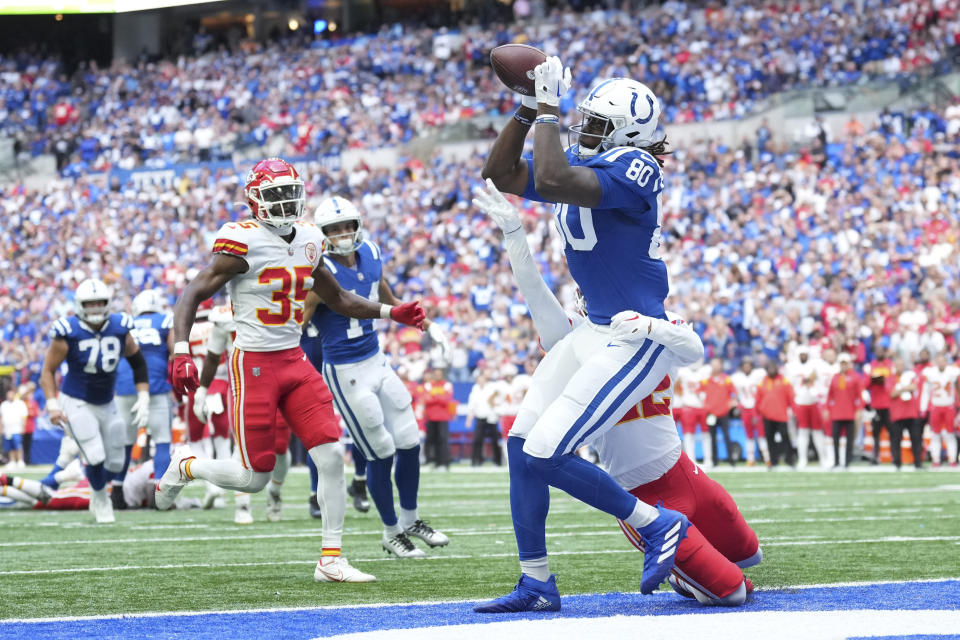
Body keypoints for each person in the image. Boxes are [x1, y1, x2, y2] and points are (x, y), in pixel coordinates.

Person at [474, 180, 759, 606]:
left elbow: (693, 347)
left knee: (749, 554)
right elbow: (535, 292)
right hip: (641, 494)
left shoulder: (648, 326)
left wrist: (650, 327)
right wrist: (515, 237)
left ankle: (685, 569)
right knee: (732, 592)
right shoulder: (573, 338)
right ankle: (671, 557)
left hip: (686, 473)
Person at [475, 61, 690, 609]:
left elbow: (551, 180)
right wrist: (527, 110)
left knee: (548, 450)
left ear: (629, 134)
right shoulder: (586, 161)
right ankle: (537, 582)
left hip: (634, 336)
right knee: (523, 448)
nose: (583, 129)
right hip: (593, 330)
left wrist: (548, 110)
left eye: (597, 122)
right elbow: (500, 173)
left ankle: (657, 523)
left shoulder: (638, 168)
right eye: (584, 119)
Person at [157, 157, 425, 583]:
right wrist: (181, 349)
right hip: (254, 364)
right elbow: (193, 292)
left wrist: (392, 312)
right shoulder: (240, 240)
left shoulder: (309, 238)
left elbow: (338, 298)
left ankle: (331, 559)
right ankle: (188, 464)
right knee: (253, 478)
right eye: (274, 194)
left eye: (288, 192)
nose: (284, 201)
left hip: (295, 360)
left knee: (332, 456)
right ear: (253, 200)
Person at [304, 195, 450, 558]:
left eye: (345, 226)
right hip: (345, 370)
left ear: (357, 225)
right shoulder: (318, 272)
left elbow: (380, 291)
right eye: (333, 230)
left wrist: (424, 323)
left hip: (376, 359)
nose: (341, 234)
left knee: (409, 438)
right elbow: (298, 323)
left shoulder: (370, 252)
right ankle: (390, 531)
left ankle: (412, 519)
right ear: (322, 234)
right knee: (380, 450)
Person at [39, 278, 151, 523]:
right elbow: (47, 371)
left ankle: (88, 482)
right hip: (76, 399)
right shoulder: (68, 331)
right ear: (80, 305)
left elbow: (138, 363)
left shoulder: (120, 326)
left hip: (106, 401)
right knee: (95, 454)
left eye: (100, 302)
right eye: (90, 304)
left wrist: (143, 396)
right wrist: (52, 404)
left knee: (115, 462)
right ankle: (101, 500)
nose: (95, 308)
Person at [194, 303, 291, 524]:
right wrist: (202, 390)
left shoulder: (275, 300)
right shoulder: (224, 314)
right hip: (243, 386)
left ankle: (274, 493)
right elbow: (212, 355)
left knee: (281, 449)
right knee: (241, 444)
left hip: (280, 380)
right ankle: (242, 505)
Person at [111, 288, 175, 510]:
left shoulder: (126, 322)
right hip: (155, 388)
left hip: (125, 387)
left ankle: (117, 492)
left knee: (124, 444)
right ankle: (160, 494)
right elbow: (175, 352)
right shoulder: (166, 320)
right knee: (162, 440)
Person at [786, 346, 825, 469]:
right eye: (801, 354)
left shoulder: (815, 365)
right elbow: (790, 386)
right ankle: (802, 459)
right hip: (800, 401)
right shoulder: (792, 367)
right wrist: (791, 404)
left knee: (817, 432)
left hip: (813, 401)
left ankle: (823, 458)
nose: (803, 356)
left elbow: (821, 383)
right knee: (802, 432)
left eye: (805, 354)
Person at [920, 354, 959, 467]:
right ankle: (936, 460)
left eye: (943, 361)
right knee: (936, 434)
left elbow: (957, 386)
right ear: (936, 362)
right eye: (939, 361)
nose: (941, 363)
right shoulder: (930, 372)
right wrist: (923, 407)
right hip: (936, 406)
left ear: (946, 362)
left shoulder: (953, 372)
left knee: (950, 434)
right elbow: (926, 391)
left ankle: (952, 459)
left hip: (949, 406)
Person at [730, 357, 770, 467]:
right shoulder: (737, 378)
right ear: (742, 367)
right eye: (745, 365)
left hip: (756, 409)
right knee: (749, 436)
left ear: (752, 366)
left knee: (762, 435)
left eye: (749, 365)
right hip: (745, 409)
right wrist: (737, 403)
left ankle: (767, 458)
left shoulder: (759, 374)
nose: (747, 367)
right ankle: (750, 459)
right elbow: (734, 392)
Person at [828, 354, 864, 468]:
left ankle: (847, 461)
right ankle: (836, 461)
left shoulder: (855, 377)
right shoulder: (835, 377)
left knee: (850, 439)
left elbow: (860, 395)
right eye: (842, 363)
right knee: (835, 438)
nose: (843, 365)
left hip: (850, 413)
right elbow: (830, 396)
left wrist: (859, 410)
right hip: (836, 413)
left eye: (845, 363)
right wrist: (827, 409)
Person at [755, 362, 794, 467]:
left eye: (773, 367)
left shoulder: (784, 381)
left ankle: (790, 460)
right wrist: (758, 411)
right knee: (769, 439)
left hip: (781, 415)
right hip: (767, 416)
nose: (771, 370)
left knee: (785, 437)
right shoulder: (762, 382)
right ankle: (773, 461)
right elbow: (757, 399)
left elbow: (791, 396)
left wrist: (793, 410)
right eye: (769, 367)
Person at [888, 357, 923, 470]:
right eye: (898, 364)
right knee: (896, 439)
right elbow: (892, 393)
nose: (900, 367)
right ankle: (897, 463)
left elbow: (915, 386)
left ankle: (918, 462)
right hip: (897, 414)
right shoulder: (891, 378)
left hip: (911, 413)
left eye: (902, 364)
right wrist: (905, 388)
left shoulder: (910, 376)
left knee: (916, 439)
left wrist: (901, 389)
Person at [701, 358, 737, 466]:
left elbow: (734, 393)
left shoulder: (727, 380)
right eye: (712, 364)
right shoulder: (706, 380)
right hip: (711, 414)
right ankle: (714, 461)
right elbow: (698, 392)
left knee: (727, 436)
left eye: (716, 364)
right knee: (712, 437)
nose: (714, 367)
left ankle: (731, 460)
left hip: (724, 413)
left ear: (721, 366)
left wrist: (731, 404)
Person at [420, 367, 455, 472]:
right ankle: (434, 461)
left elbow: (447, 400)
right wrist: (439, 396)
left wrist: (434, 397)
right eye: (436, 374)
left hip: (443, 417)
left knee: (443, 440)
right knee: (431, 440)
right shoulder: (428, 385)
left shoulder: (447, 385)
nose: (438, 376)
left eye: (440, 374)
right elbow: (425, 399)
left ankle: (444, 463)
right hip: (430, 417)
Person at [863, 346, 893, 465]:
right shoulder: (871, 366)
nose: (880, 353)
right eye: (878, 351)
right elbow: (865, 384)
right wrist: (872, 380)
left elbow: (892, 381)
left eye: (881, 351)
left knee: (892, 431)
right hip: (876, 404)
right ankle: (875, 456)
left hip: (888, 403)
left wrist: (883, 381)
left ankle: (893, 456)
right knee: (876, 432)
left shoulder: (890, 365)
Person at [466, 371, 501, 466]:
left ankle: (498, 461)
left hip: (491, 417)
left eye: (482, 379)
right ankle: (476, 461)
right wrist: (469, 419)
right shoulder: (475, 388)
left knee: (494, 440)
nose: (480, 381)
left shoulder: (492, 387)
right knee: (477, 440)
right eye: (478, 379)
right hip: (480, 417)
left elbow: (497, 400)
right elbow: (472, 405)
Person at [1, 390, 27, 469]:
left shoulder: (20, 403)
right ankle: (12, 461)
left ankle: (20, 460)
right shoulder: (4, 404)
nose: (10, 396)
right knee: (9, 446)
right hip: (7, 429)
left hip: (17, 428)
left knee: (18, 445)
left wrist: (23, 427)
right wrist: (1, 428)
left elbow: (24, 416)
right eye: (8, 394)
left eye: (11, 394)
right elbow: (1, 417)